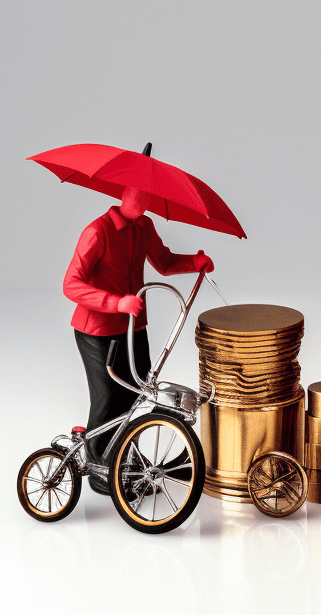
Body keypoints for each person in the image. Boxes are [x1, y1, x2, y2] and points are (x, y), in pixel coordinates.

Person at [64, 185, 212, 492]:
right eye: (139, 196)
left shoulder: (144, 226)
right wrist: (115, 302)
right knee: (108, 398)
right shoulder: (97, 231)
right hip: (98, 329)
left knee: (138, 395)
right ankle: (101, 467)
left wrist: (193, 263)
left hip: (133, 328)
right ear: (124, 194)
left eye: (149, 197)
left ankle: (125, 459)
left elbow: (164, 261)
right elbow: (71, 285)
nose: (144, 203)